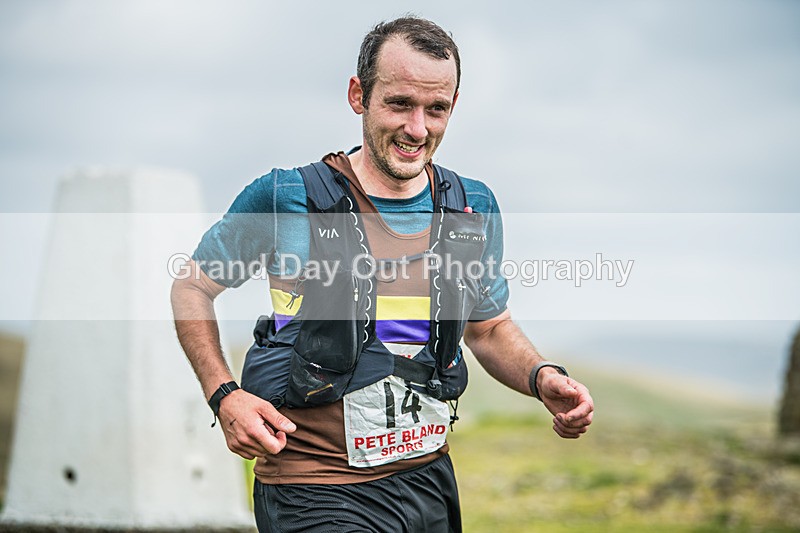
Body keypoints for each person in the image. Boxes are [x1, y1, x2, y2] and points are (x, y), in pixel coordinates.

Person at [171, 16, 594, 533]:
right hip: (314, 489)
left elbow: (488, 328)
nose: (418, 129)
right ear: (358, 95)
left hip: (427, 480)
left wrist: (541, 377)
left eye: (435, 109)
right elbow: (192, 285)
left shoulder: (471, 208)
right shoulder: (286, 198)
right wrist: (225, 395)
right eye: (399, 104)